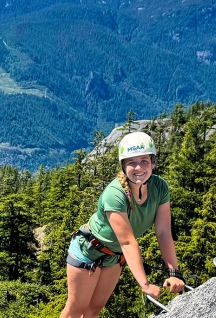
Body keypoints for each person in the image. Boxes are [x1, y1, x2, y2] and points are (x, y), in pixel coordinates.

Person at [60, 131, 185, 318]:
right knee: (75, 311)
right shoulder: (115, 194)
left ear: (153, 163)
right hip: (88, 251)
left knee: (93, 311)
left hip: (114, 257)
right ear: (123, 166)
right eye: (131, 162)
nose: (138, 167)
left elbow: (163, 232)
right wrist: (145, 284)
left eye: (144, 161)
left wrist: (175, 272)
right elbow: (127, 242)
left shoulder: (160, 188)